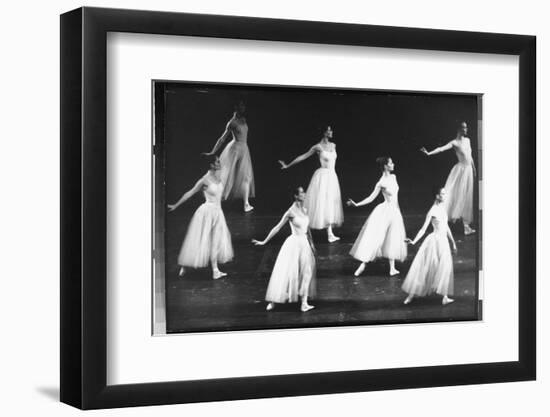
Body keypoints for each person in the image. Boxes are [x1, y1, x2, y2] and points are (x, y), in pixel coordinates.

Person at [168, 156, 233, 279]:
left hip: (218, 213)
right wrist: (176, 205)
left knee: (215, 241)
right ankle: (185, 265)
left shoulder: (218, 177)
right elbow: (190, 193)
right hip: (206, 213)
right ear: (211, 164)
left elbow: (219, 195)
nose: (220, 163)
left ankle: (215, 271)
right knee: (199, 241)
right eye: (217, 161)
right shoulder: (204, 180)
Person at [252, 186, 317, 312]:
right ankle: (274, 299)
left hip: (304, 244)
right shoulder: (290, 212)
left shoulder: (304, 209)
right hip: (293, 244)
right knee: (287, 272)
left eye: (304, 192)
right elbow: (277, 227)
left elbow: (307, 229)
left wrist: (312, 244)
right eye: (302, 192)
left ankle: (304, 303)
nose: (304, 194)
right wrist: (264, 241)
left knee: (307, 271)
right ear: (296, 196)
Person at [278, 126, 344, 243]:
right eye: (329, 130)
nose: (331, 132)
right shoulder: (317, 147)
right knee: (322, 203)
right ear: (324, 132)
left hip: (332, 177)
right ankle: (304, 229)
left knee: (330, 203)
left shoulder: (333, 145)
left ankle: (330, 233)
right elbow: (303, 156)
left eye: (331, 130)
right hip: (322, 177)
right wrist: (288, 165)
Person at [347, 156, 407, 276]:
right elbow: (371, 198)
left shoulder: (394, 177)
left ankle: (392, 268)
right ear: (385, 166)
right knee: (377, 238)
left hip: (394, 211)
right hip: (385, 211)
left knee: (393, 237)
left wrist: (398, 211)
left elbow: (396, 198)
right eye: (391, 163)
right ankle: (363, 264)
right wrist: (357, 204)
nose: (393, 164)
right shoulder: (381, 183)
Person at [402, 187, 457, 305]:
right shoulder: (432, 211)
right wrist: (414, 241)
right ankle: (411, 294)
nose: (445, 196)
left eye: (445, 194)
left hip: (443, 242)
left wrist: (453, 242)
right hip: (435, 242)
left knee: (444, 267)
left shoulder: (443, 208)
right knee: (425, 268)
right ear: (437, 196)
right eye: (443, 194)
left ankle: (445, 297)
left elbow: (446, 226)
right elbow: (423, 229)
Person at [420, 121, 476, 235]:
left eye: (466, 128)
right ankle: (440, 217)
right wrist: (429, 153)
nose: (466, 130)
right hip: (460, 171)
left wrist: (474, 169)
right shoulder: (454, 143)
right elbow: (441, 149)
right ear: (459, 129)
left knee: (466, 197)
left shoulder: (468, 140)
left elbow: (470, 156)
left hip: (468, 170)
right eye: (463, 128)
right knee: (452, 194)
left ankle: (466, 226)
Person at [203, 101, 255, 212]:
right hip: (234, 149)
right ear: (236, 107)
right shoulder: (232, 122)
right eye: (241, 106)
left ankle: (246, 204)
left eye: (244, 106)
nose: (243, 108)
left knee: (246, 177)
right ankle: (212, 198)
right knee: (225, 175)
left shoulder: (243, 120)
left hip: (244, 149)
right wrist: (213, 152)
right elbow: (222, 139)